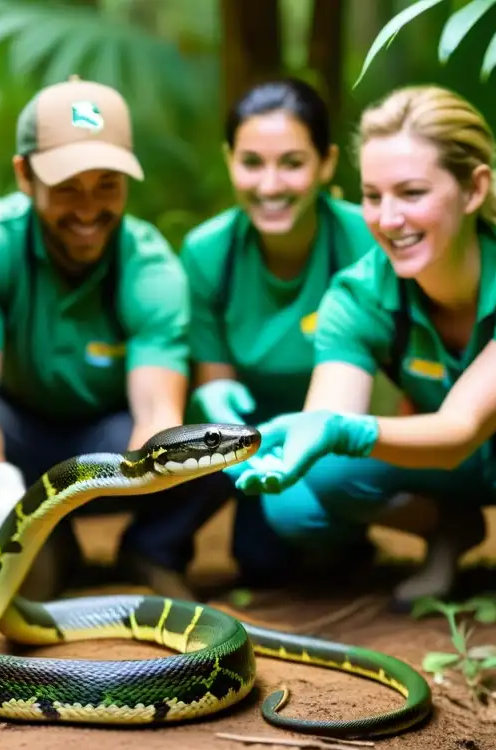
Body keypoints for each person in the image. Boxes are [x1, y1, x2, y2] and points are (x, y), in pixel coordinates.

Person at [230, 84, 496, 617]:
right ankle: (448, 527)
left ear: (473, 190)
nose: (387, 218)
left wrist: (339, 430)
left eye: (411, 193)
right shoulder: (356, 294)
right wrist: (302, 438)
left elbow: (460, 430)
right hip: (445, 447)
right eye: (373, 196)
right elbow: (329, 417)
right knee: (299, 494)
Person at [0, 75, 227, 601]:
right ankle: (47, 544)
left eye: (107, 184)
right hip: (19, 442)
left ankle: (152, 549)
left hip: (110, 442)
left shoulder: (150, 266)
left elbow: (158, 409)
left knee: (212, 435)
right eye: (67, 187)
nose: (88, 210)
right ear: (25, 175)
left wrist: (141, 474)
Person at [181, 78, 387, 587]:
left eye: (292, 163)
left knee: (318, 512)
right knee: (262, 562)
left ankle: (441, 528)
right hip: (261, 442)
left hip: (353, 432)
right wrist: (214, 396)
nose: (270, 185)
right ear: (229, 159)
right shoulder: (207, 253)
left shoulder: (370, 237)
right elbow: (215, 379)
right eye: (252, 162)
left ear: (327, 162)